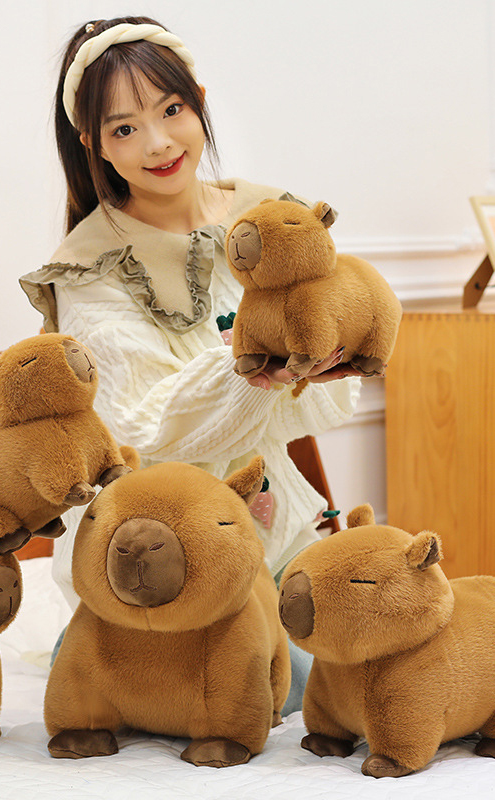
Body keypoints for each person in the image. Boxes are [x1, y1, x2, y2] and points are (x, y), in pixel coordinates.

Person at [19, 16, 362, 714]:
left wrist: (319, 358)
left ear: (198, 101)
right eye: (124, 128)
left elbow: (326, 406)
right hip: (154, 544)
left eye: (171, 110)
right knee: (257, 686)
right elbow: (144, 425)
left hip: (273, 526)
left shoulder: (270, 218)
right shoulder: (90, 267)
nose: (158, 143)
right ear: (92, 143)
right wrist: (254, 371)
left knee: (383, 652)